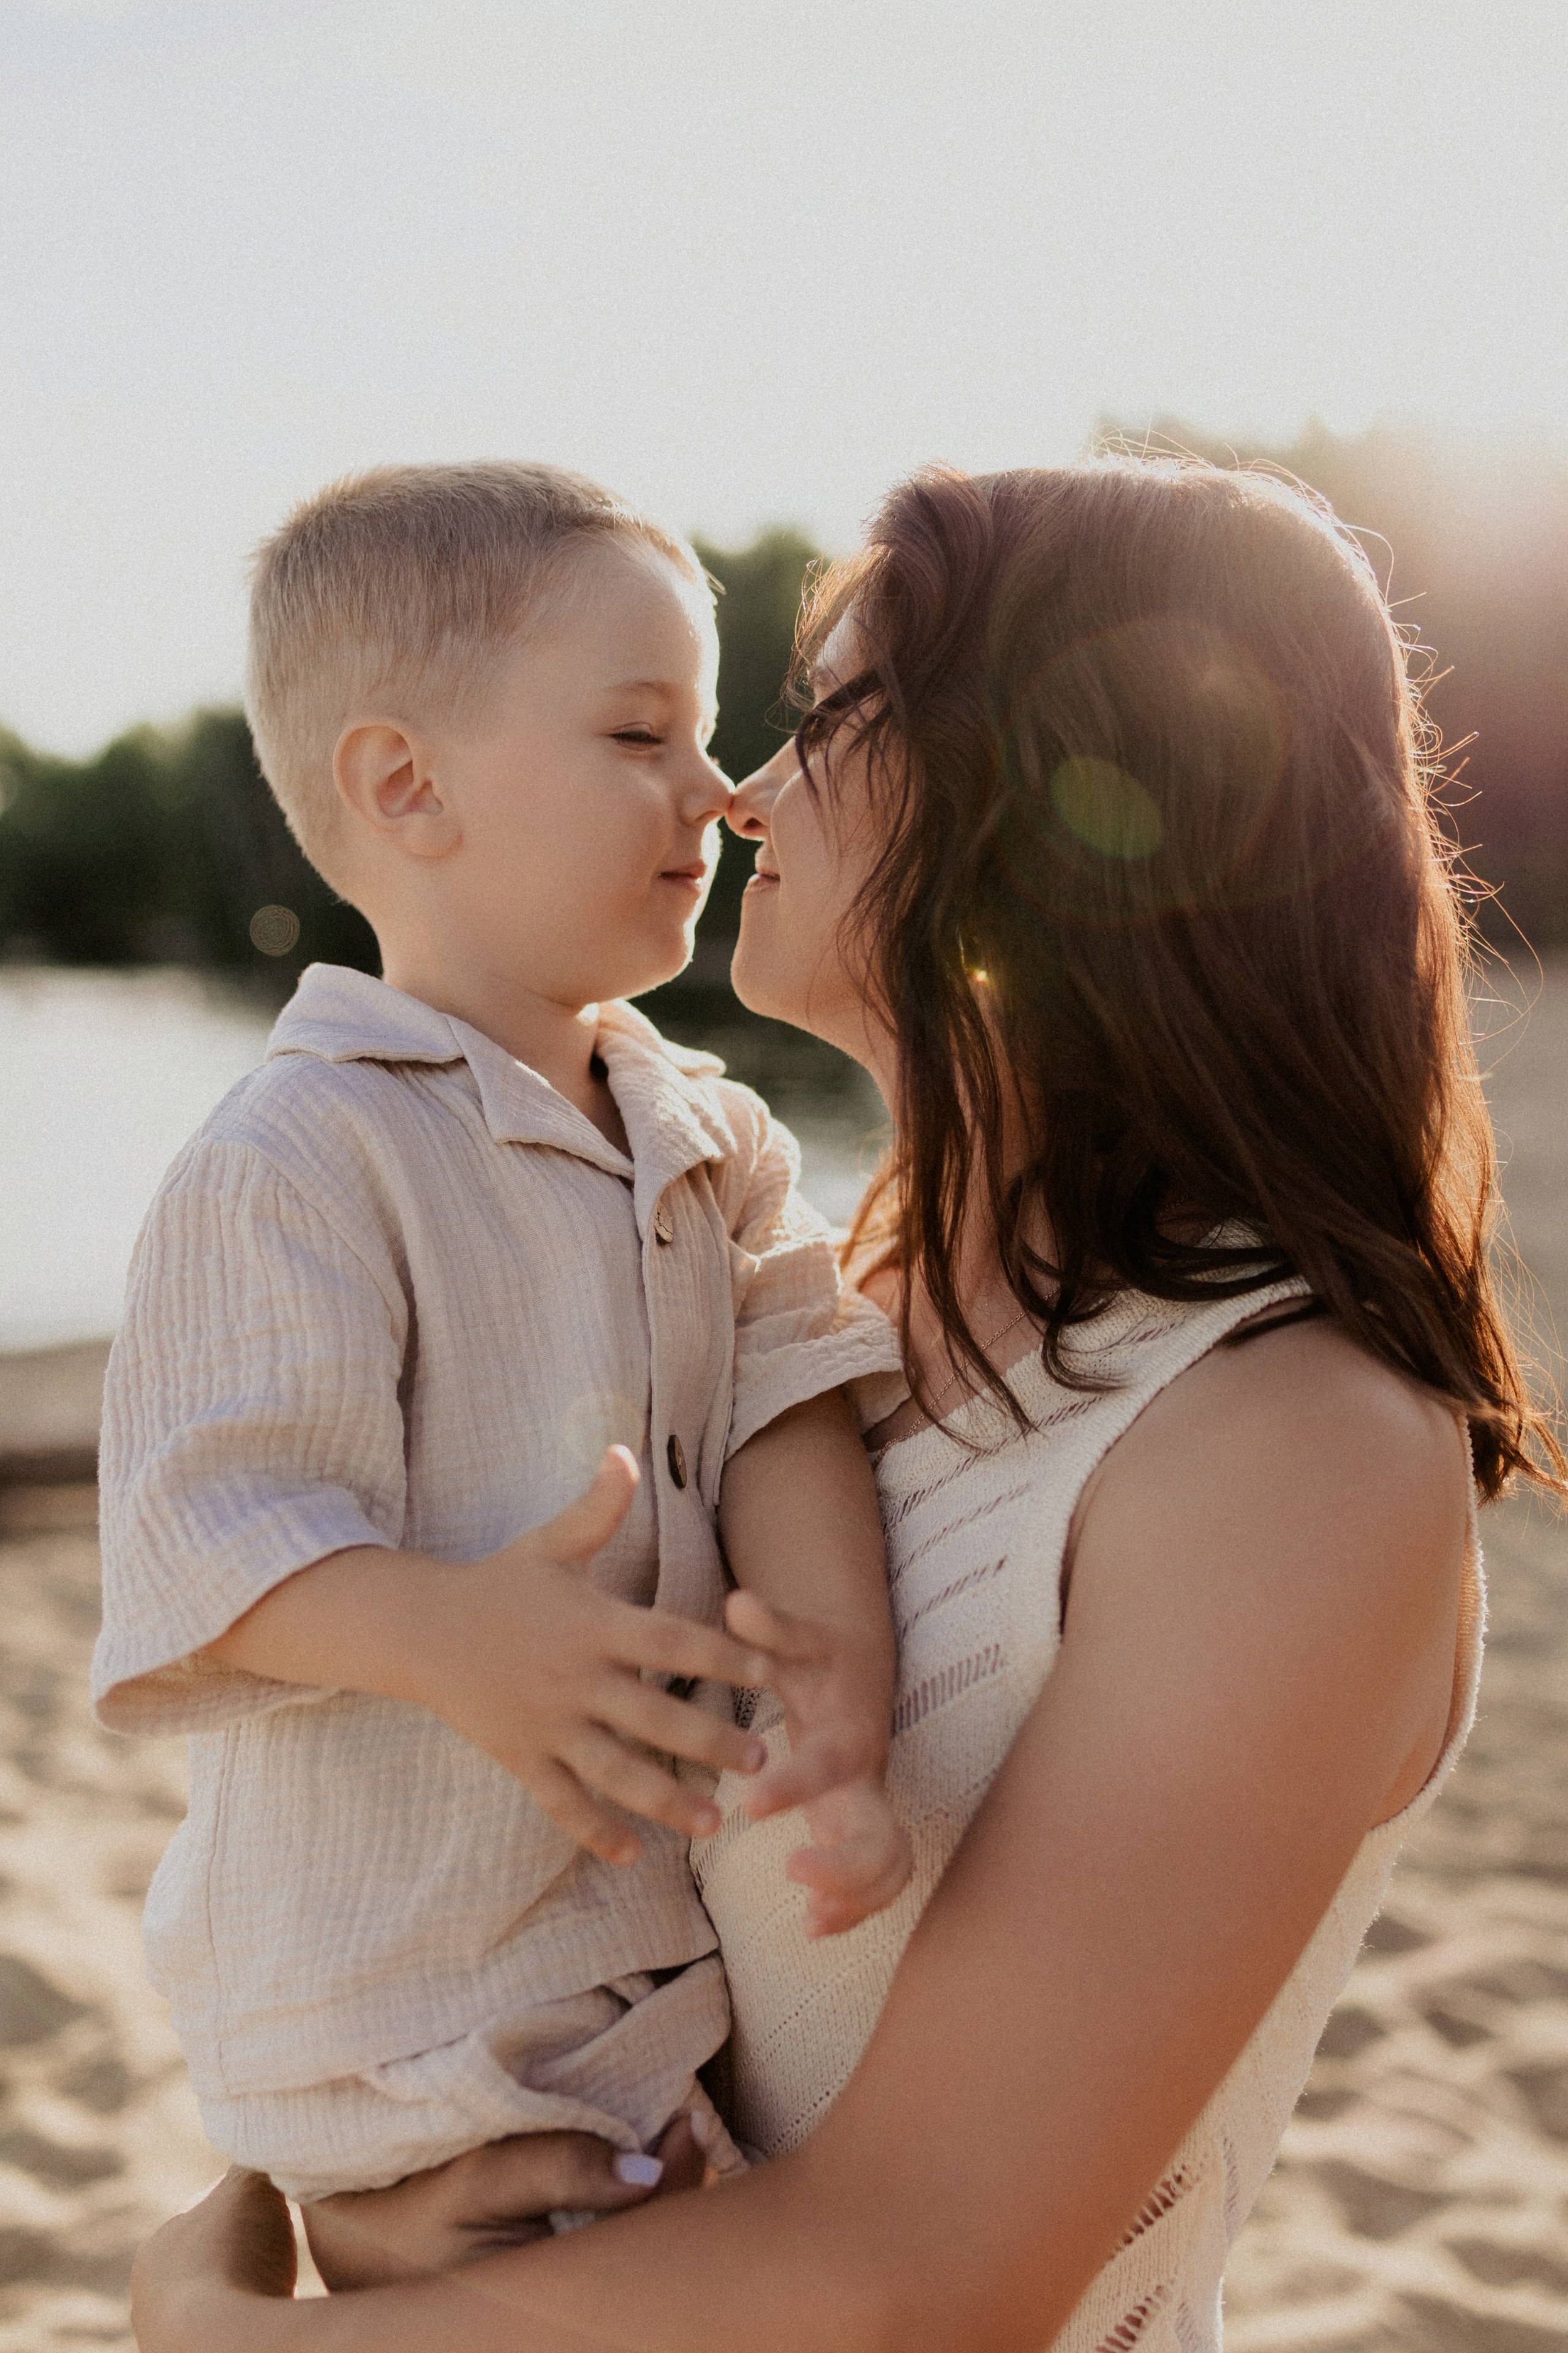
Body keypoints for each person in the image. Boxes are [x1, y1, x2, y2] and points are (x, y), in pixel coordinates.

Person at [130, 457, 1560, 2352]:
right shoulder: (802, 1302)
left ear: (1049, 784)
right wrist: (390, 2201)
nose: (740, 790)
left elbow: (921, 2277)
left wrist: (248, 2339)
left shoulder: (1291, 1445)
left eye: (819, 719)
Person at [92, 461, 912, 2277]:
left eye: (710, 730)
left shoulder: (711, 1130)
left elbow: (789, 1395)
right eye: (641, 732)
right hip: (403, 2009)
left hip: (634, 1958)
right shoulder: (298, 1150)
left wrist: (836, 1680)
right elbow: (209, 1528)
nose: (715, 787)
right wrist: (454, 1636)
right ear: (408, 786)